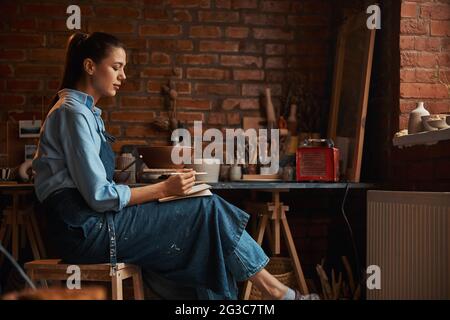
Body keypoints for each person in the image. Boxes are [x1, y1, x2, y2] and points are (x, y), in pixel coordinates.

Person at [32, 32, 318, 300]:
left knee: (203, 229)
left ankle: (277, 294)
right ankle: (278, 293)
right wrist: (163, 189)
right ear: (90, 66)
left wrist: (159, 188)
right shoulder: (72, 113)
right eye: (116, 67)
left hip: (92, 224)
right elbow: (98, 196)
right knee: (206, 209)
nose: (123, 76)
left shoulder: (86, 112)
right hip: (84, 231)